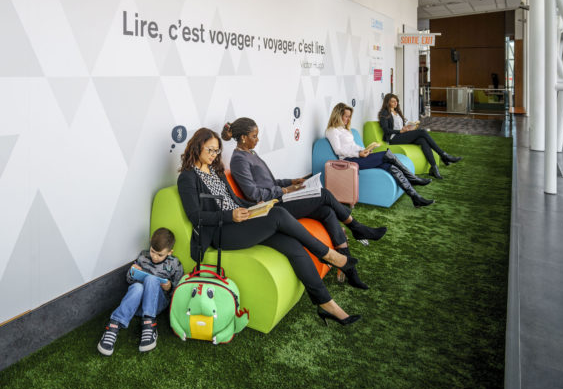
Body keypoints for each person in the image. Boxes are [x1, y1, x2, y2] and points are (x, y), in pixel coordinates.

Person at [178, 128, 362, 327]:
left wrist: (256, 208)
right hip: (222, 232)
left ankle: (327, 305)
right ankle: (328, 255)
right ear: (197, 147)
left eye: (216, 151)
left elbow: (235, 200)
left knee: (292, 246)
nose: (214, 155)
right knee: (279, 214)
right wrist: (229, 215)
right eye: (210, 150)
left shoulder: (216, 171)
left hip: (241, 222)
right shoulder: (187, 178)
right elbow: (195, 216)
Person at [223, 118, 387, 288]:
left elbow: (270, 182)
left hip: (279, 197)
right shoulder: (239, 160)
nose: (257, 139)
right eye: (254, 136)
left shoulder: (251, 154)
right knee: (323, 194)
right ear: (243, 138)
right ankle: (357, 228)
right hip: (272, 207)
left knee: (327, 211)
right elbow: (253, 194)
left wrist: (291, 181)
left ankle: (350, 272)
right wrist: (286, 190)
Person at [325, 103, 434, 208]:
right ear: (338, 116)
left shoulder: (345, 130)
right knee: (387, 154)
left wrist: (366, 150)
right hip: (350, 161)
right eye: (346, 116)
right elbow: (338, 150)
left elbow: (353, 146)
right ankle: (413, 178)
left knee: (390, 167)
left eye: (349, 117)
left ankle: (416, 198)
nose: (348, 119)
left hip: (357, 157)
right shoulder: (332, 131)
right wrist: (358, 154)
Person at [97, 227, 184, 355]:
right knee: (138, 287)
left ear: (170, 252)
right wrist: (132, 272)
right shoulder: (143, 256)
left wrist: (170, 287)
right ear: (150, 243)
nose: (155, 257)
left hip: (156, 305)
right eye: (153, 251)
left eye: (160, 255)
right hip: (135, 306)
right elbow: (129, 280)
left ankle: (149, 324)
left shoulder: (175, 264)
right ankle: (114, 325)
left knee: (152, 280)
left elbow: (179, 291)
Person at [378, 93, 461, 179]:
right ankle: (443, 155)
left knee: (422, 140)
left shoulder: (397, 112)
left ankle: (434, 168)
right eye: (393, 101)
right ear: (387, 102)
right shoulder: (384, 113)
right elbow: (386, 130)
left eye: (396, 101)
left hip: (402, 134)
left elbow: (400, 127)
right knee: (422, 132)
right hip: (393, 138)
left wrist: (407, 128)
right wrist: (400, 131)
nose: (395, 103)